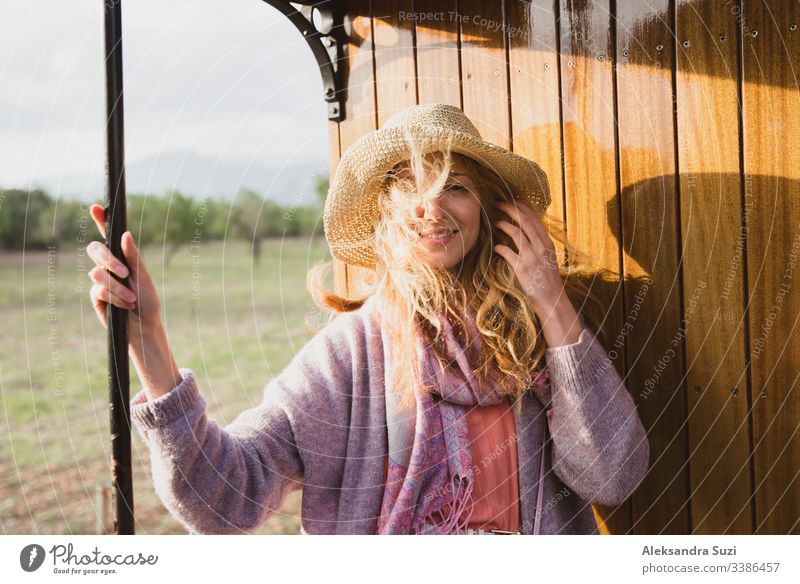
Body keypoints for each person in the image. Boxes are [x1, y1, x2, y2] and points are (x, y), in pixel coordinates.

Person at [85, 102, 649, 535]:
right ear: (386, 217)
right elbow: (223, 500)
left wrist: (551, 301)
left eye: (454, 186)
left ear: (488, 209)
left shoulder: (533, 339)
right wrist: (149, 346)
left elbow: (613, 474)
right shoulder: (352, 355)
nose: (432, 208)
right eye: (410, 189)